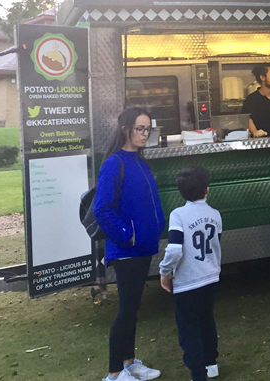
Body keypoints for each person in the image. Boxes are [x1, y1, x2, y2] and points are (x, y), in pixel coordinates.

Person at [95, 108, 166, 381]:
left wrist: (155, 228)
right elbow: (103, 209)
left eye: (148, 129)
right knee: (126, 310)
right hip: (126, 251)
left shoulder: (139, 159)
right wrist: (128, 235)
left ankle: (129, 362)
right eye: (140, 128)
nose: (145, 134)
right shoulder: (114, 163)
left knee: (133, 308)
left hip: (143, 248)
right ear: (126, 129)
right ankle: (114, 374)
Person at [159, 166, 222, 381]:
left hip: (188, 282)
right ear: (207, 190)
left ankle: (198, 374)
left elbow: (175, 249)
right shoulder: (215, 215)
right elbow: (215, 245)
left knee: (189, 328)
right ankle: (211, 363)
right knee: (207, 321)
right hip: (211, 277)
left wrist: (164, 270)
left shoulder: (178, 215)